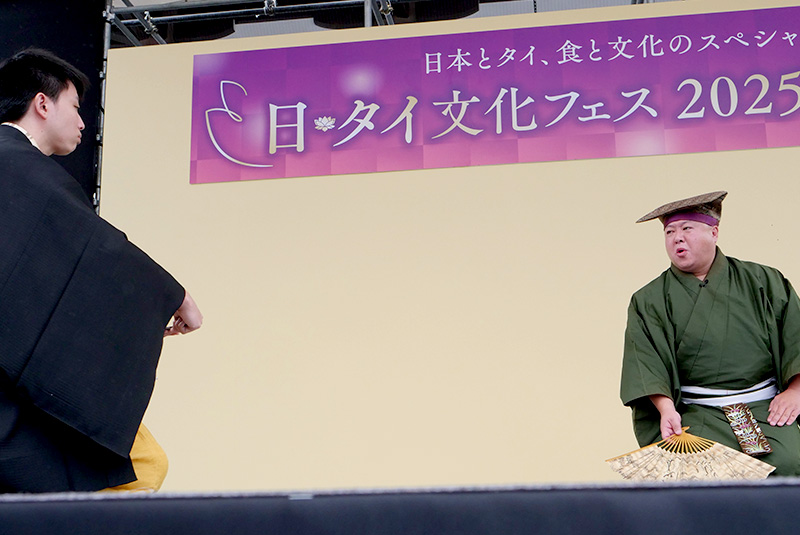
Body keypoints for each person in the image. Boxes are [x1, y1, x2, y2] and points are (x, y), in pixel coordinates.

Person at [0, 48, 202, 492]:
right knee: (142, 466)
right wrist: (173, 296)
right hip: (12, 390)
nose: (82, 122)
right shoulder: (20, 167)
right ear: (42, 103)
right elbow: (96, 251)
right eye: (75, 107)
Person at [620, 191, 800, 476]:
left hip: (764, 408)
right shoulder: (649, 300)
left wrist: (795, 391)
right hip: (696, 413)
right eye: (669, 232)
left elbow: (795, 335)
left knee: (790, 463)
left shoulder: (764, 281)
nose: (677, 238)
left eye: (687, 228)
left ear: (714, 232)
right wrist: (666, 409)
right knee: (696, 474)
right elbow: (645, 362)